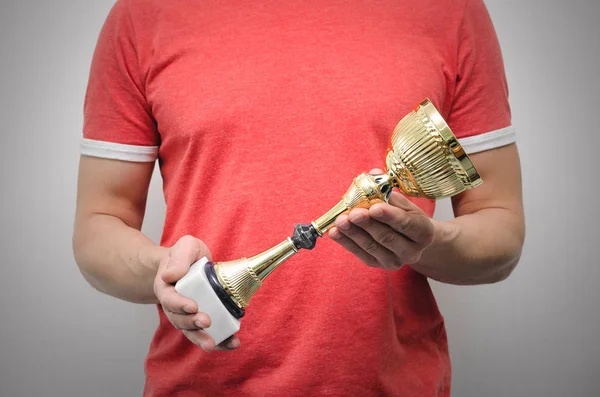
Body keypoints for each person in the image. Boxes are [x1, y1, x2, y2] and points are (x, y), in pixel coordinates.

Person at [73, 0, 525, 395]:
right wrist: (171, 276)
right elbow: (98, 226)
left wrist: (423, 242)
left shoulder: (451, 10)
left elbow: (499, 229)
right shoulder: (144, 14)